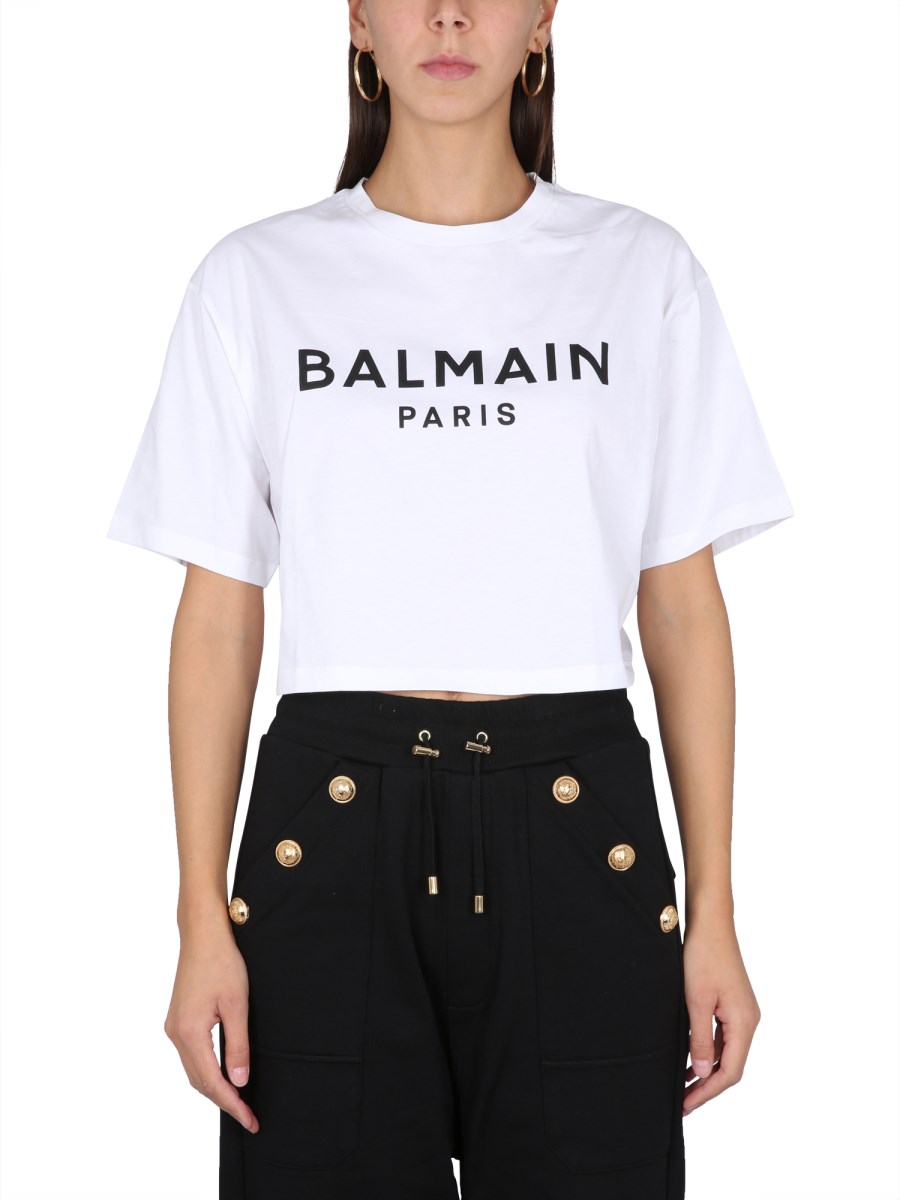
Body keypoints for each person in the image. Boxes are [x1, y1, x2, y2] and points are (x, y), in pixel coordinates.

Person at [105, 2, 794, 1197]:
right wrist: (198, 919)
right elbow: (219, 614)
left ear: (543, 21)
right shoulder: (255, 279)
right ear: (358, 22)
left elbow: (682, 605)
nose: (449, 14)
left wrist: (717, 913)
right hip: (329, 826)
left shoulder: (641, 270)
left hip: (579, 824)